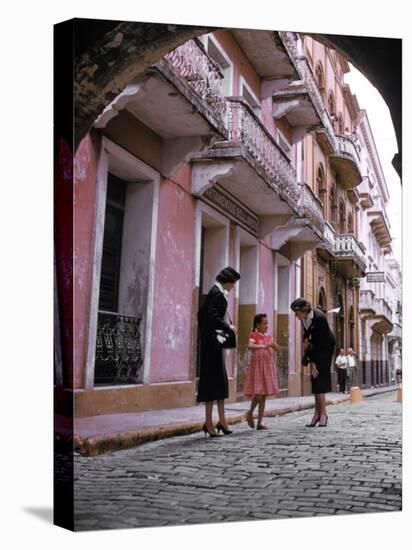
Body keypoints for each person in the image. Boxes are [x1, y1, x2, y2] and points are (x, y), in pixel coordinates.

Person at [197, 266, 240, 437]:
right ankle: (209, 422)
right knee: (211, 382)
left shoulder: (217, 292)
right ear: (227, 281)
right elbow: (211, 317)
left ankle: (221, 420)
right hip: (211, 344)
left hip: (214, 342)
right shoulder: (216, 292)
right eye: (233, 283)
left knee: (220, 381)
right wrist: (227, 326)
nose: (233, 287)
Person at [291, 298, 336, 427]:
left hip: (325, 348)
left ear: (304, 310)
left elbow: (321, 342)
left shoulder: (319, 317)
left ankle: (323, 414)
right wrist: (305, 341)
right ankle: (317, 414)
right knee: (315, 379)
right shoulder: (304, 318)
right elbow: (308, 334)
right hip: (315, 348)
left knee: (320, 378)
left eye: (297, 312)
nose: (295, 315)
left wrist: (313, 362)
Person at [243, 314, 279, 430]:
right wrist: (264, 345)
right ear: (257, 325)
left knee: (263, 396)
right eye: (264, 323)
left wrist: (273, 345)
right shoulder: (254, 334)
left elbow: (277, 349)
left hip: (267, 366)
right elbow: (250, 345)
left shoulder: (268, 336)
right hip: (258, 367)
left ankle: (259, 423)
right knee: (258, 394)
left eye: (267, 323)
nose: (266, 325)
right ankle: (250, 413)